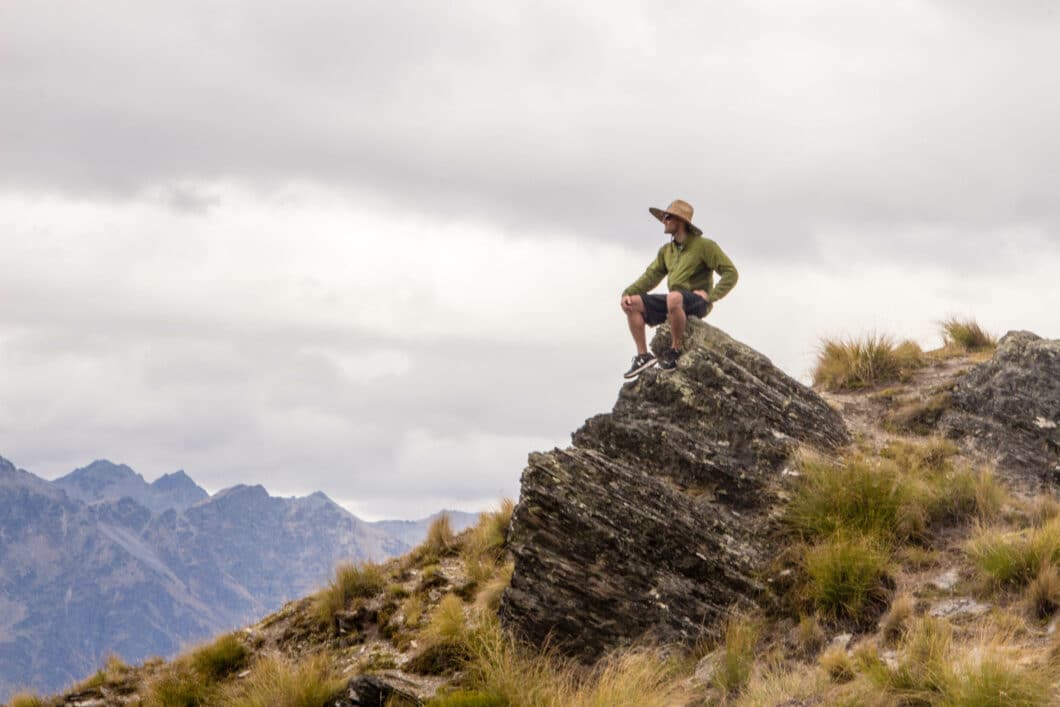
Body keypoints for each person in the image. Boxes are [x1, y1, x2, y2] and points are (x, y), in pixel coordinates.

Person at [620, 199, 738, 378]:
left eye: (668, 217)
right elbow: (650, 276)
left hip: (696, 301)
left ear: (681, 221)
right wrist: (627, 293)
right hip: (674, 302)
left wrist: (711, 296)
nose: (664, 221)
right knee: (632, 304)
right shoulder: (666, 251)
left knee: (674, 297)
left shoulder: (704, 246)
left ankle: (675, 351)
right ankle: (643, 356)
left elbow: (731, 273)